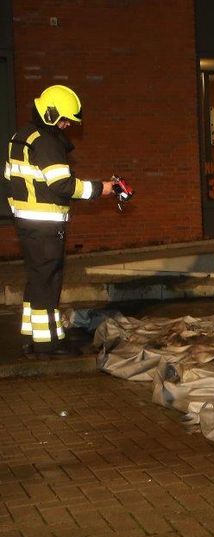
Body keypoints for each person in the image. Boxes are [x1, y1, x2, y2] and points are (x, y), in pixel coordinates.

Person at [5, 84, 117, 359]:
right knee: (48, 283)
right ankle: (47, 345)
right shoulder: (46, 141)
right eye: (65, 119)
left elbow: (12, 178)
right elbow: (63, 185)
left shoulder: (22, 136)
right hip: (45, 224)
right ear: (51, 114)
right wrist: (99, 189)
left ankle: (32, 337)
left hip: (26, 221)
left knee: (36, 280)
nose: (67, 125)